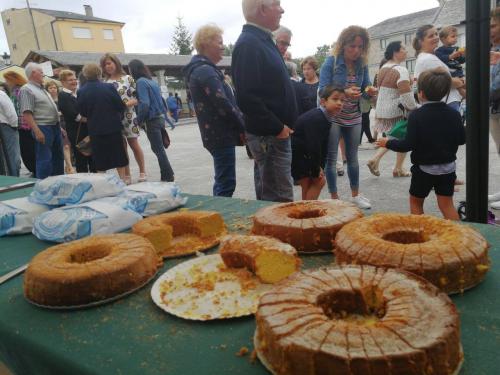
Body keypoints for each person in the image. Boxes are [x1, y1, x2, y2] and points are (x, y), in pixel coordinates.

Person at [376, 68, 465, 220]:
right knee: (446, 205)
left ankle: (421, 233)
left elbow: (407, 145)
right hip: (448, 169)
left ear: (421, 94)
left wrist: (387, 143)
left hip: (423, 170)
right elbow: (462, 139)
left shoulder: (416, 116)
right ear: (445, 93)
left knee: (416, 203)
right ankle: (457, 238)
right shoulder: (454, 114)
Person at [232, 0, 298, 202]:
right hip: (269, 136)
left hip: (271, 136)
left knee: (270, 195)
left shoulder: (260, 41)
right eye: (277, 4)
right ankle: (279, 235)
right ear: (262, 9)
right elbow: (246, 97)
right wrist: (277, 127)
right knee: (279, 201)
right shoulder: (249, 44)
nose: (282, 9)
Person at [318, 25, 378, 209]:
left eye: (360, 47)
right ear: (343, 45)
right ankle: (334, 198)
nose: (356, 51)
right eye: (352, 46)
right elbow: (322, 91)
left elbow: (365, 88)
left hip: (354, 115)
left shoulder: (362, 64)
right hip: (334, 115)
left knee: (353, 158)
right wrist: (344, 92)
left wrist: (371, 92)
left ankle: (355, 195)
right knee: (331, 158)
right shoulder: (331, 62)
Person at [183, 23, 245, 197]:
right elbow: (223, 103)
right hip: (220, 134)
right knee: (226, 182)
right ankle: (216, 218)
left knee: (224, 179)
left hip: (216, 133)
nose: (223, 46)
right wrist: (243, 126)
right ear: (206, 43)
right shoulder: (205, 71)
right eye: (219, 42)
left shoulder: (203, 69)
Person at [367, 41, 417, 177]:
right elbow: (406, 95)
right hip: (396, 110)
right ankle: (376, 159)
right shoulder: (401, 70)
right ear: (396, 52)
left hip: (382, 110)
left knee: (397, 137)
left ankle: (398, 168)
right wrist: (415, 108)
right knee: (397, 137)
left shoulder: (382, 69)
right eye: (403, 49)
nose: (406, 51)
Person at [292, 85, 345, 200]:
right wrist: (316, 168)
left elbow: (322, 145)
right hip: (300, 155)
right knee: (319, 181)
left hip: (303, 154)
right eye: (335, 99)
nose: (340, 103)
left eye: (342, 100)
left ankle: (305, 211)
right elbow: (314, 145)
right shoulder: (317, 118)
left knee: (308, 183)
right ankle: (307, 210)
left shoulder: (325, 117)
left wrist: (320, 165)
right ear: (323, 102)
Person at [101, 53, 147, 183]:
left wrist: (125, 105)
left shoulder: (128, 78)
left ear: (116, 63)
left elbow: (137, 98)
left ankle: (142, 171)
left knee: (134, 144)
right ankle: (126, 175)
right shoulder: (104, 83)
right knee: (121, 148)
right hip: (114, 119)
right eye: (105, 64)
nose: (108, 66)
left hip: (129, 116)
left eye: (109, 63)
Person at [77, 63, 128, 179]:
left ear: (85, 75)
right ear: (99, 73)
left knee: (100, 158)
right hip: (113, 126)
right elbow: (120, 106)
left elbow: (83, 112)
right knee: (118, 155)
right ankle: (123, 180)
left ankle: (103, 182)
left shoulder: (81, 91)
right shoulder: (109, 87)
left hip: (95, 129)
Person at [129, 59, 175, 182]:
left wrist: (138, 120)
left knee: (158, 149)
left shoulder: (140, 82)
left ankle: (168, 176)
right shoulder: (151, 81)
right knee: (159, 149)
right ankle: (167, 174)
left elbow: (144, 104)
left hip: (151, 120)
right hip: (159, 118)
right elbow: (162, 101)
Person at [19, 63, 64, 179]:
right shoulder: (26, 89)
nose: (43, 74)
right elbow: (26, 113)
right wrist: (37, 131)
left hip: (54, 126)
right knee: (45, 159)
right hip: (43, 127)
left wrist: (59, 128)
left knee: (58, 158)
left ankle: (58, 183)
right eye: (41, 71)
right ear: (33, 73)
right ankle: (43, 187)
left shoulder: (41, 88)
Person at [413, 25, 465, 112]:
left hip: (443, 103)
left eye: (436, 34)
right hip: (447, 103)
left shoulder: (426, 57)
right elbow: (447, 81)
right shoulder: (429, 59)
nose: (436, 37)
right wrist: (462, 81)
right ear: (421, 41)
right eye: (431, 36)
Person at [58, 69, 95, 173]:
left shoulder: (77, 93)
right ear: (63, 82)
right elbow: (76, 116)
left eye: (75, 79)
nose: (74, 82)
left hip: (86, 130)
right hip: (76, 132)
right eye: (70, 80)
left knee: (92, 158)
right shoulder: (63, 95)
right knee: (81, 159)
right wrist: (92, 120)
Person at [3, 71, 35, 176]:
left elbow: (16, 110)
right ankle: (34, 170)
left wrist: (14, 125)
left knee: (27, 151)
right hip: (24, 125)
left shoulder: (18, 91)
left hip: (23, 126)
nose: (6, 82)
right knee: (27, 151)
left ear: (13, 80)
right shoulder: (19, 89)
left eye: (7, 80)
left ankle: (35, 171)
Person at [45, 79, 75, 174]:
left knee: (68, 145)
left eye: (54, 87)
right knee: (65, 146)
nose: (53, 89)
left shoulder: (61, 98)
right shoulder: (47, 100)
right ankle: (69, 167)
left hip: (66, 123)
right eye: (50, 88)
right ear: (47, 89)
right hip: (56, 124)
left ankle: (68, 166)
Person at [489, 7, 500, 210]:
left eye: (493, 26)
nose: (490, 30)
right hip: (494, 109)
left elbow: (495, 86)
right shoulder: (494, 50)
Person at [435, 25, 466, 99]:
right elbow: (440, 58)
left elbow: (461, 61)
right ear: (443, 39)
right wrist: (451, 56)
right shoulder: (440, 50)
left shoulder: (457, 48)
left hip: (460, 73)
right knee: (461, 89)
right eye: (453, 36)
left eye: (456, 36)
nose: (455, 38)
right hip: (451, 75)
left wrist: (464, 55)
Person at [0, 86, 20, 176]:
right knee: (12, 156)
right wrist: (14, 126)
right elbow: (11, 112)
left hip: (4, 124)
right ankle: (14, 178)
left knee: (5, 157)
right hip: (7, 125)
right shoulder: (1, 94)